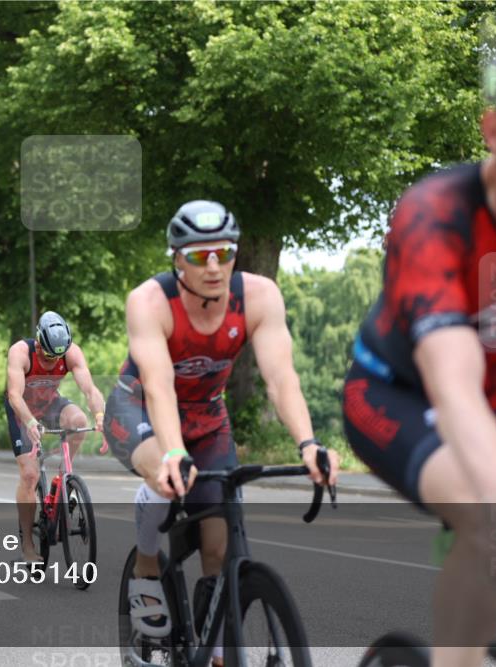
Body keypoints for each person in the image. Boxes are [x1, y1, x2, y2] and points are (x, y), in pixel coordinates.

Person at [342, 21, 496, 667]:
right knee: (494, 523)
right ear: (495, 130)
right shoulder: (435, 213)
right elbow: (454, 389)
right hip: (400, 394)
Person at [103, 200, 337, 649]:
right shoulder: (149, 301)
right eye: (197, 255)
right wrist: (173, 453)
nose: (213, 266)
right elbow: (159, 386)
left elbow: (281, 378)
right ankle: (146, 567)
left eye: (224, 252)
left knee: (217, 549)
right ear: (177, 259)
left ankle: (214, 644)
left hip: (208, 418)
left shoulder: (260, 296)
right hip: (141, 409)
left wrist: (309, 444)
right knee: (165, 479)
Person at [6, 310, 106, 563]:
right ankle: (27, 544)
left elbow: (90, 389)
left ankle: (64, 477)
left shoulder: (71, 352)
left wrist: (101, 416)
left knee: (79, 420)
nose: (54, 362)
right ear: (38, 342)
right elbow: (14, 396)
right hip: (22, 411)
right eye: (49, 356)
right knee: (29, 475)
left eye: (58, 356)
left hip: (50, 403)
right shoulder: (20, 352)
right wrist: (29, 422)